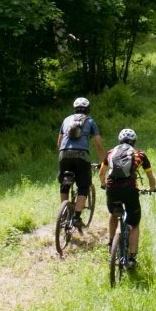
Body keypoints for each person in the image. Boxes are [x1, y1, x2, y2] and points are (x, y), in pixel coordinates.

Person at [100, 127, 156, 261]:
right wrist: (152, 188)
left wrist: (103, 184)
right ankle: (132, 257)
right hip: (130, 191)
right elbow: (150, 177)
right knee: (134, 224)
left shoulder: (110, 152)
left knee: (113, 214)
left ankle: (111, 243)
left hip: (112, 189)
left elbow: (102, 172)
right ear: (134, 141)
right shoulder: (140, 155)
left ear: (120, 140)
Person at [56, 96, 102, 227]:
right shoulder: (90, 121)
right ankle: (76, 217)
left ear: (74, 109)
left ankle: (64, 213)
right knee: (83, 186)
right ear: (88, 110)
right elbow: (98, 144)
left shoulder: (66, 120)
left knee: (64, 184)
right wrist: (101, 162)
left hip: (64, 153)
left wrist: (64, 155)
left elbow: (59, 143)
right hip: (82, 155)